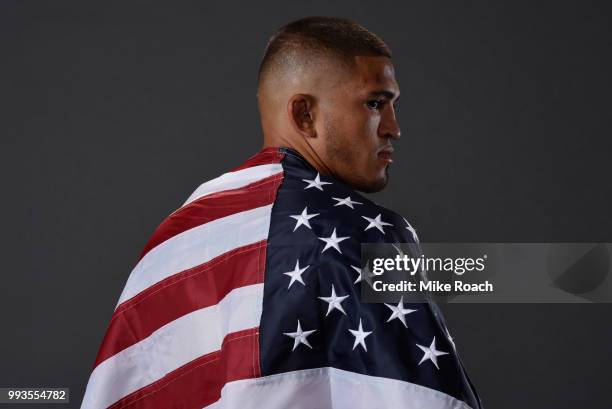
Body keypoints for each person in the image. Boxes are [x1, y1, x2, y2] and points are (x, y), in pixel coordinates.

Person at [81, 16, 482, 409]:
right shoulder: (367, 235)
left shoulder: (173, 239)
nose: (394, 128)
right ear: (304, 114)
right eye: (375, 103)